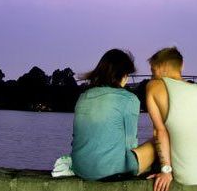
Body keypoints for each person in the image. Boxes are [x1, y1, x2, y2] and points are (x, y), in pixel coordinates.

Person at [71, 49, 155, 181]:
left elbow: (76, 138)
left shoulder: (83, 97)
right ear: (124, 75)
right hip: (112, 171)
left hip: (80, 168)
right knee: (159, 139)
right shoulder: (129, 99)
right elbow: (130, 143)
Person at [146, 47, 197, 191]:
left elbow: (159, 132)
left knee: (154, 141)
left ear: (160, 66)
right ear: (182, 66)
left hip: (188, 178)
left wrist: (166, 171)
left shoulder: (154, 86)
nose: (152, 75)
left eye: (152, 70)